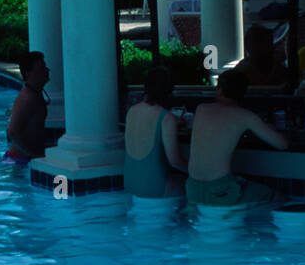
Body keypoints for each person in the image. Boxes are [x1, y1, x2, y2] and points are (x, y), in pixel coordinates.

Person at [186, 69, 288, 208]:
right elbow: (282, 144)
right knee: (279, 197)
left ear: (220, 90)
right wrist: (270, 127)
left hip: (193, 190)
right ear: (243, 93)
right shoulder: (245, 116)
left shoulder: (201, 109)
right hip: (221, 192)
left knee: (239, 182)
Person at [123, 66, 187, 197]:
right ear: (168, 90)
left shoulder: (132, 111)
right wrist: (199, 173)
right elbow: (175, 161)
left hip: (130, 184)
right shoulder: (166, 118)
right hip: (153, 187)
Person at [3, 51, 51, 164]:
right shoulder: (27, 98)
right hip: (19, 160)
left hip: (22, 158)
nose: (47, 70)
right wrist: (35, 155)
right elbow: (12, 132)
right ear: (28, 73)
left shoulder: (35, 93)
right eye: (42, 68)